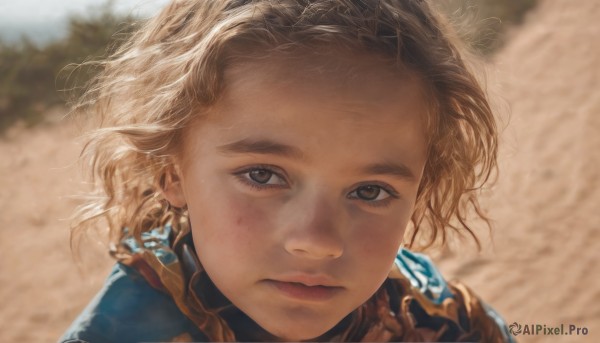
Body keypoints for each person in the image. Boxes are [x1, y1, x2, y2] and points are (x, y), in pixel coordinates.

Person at [60, 0, 514, 342]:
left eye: (371, 191)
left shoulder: (435, 315)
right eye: (262, 175)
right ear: (170, 170)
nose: (317, 243)